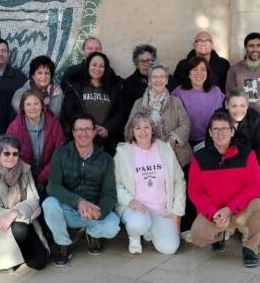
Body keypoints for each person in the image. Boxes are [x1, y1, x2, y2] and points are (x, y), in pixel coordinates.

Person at [188, 112, 260, 267]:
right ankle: (221, 234)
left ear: (232, 132)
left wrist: (230, 209)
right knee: (197, 237)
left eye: (225, 129)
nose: (220, 133)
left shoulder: (247, 154)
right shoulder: (200, 158)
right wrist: (214, 214)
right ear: (210, 133)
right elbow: (195, 192)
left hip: (240, 211)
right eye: (216, 129)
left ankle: (250, 247)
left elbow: (256, 186)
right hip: (215, 213)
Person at [43, 114, 120, 266]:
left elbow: (110, 193)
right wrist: (78, 201)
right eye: (79, 129)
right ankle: (63, 244)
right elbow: (52, 186)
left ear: (94, 132)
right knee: (49, 204)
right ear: (73, 133)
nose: (83, 133)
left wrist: (100, 211)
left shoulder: (106, 159)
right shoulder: (61, 153)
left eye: (87, 129)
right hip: (68, 209)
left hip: (92, 211)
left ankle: (92, 234)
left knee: (113, 226)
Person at [114, 114, 185, 255]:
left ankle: (150, 229)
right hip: (136, 208)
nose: (142, 131)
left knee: (169, 249)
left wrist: (177, 213)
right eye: (138, 127)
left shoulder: (165, 149)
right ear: (132, 131)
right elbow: (115, 184)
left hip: (161, 210)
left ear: (153, 130)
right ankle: (135, 236)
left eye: (147, 127)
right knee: (138, 223)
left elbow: (179, 181)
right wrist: (130, 200)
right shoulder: (123, 153)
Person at [0, 135, 49, 272]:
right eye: (7, 153)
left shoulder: (24, 170)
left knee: (40, 263)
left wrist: (16, 213)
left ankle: (23, 253)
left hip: (24, 221)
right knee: (19, 228)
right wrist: (27, 214)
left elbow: (34, 198)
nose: (11, 157)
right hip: (0, 223)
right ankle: (10, 257)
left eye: (15, 153)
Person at [127, 62, 192, 167]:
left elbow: (186, 124)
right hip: (148, 158)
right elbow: (129, 128)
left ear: (166, 80)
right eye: (155, 77)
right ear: (149, 81)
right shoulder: (138, 104)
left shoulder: (176, 102)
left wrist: (172, 140)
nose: (158, 80)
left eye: (162, 77)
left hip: (176, 155)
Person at [61, 51, 124, 154]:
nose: (97, 69)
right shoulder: (76, 85)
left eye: (101, 66)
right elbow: (69, 111)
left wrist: (108, 128)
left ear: (106, 68)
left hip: (106, 142)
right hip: (81, 139)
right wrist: (87, 128)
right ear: (87, 66)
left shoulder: (114, 87)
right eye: (94, 65)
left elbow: (120, 112)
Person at [6, 89, 65, 191]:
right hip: (23, 177)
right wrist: (27, 176)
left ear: (42, 105)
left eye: (36, 104)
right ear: (23, 107)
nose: (32, 108)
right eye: (28, 104)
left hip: (50, 176)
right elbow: (9, 155)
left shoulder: (53, 123)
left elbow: (60, 152)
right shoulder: (15, 126)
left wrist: (43, 176)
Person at [226, 32, 260, 137]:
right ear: (246, 47)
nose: (255, 49)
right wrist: (236, 125)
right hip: (242, 126)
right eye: (251, 46)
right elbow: (229, 98)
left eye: (258, 45)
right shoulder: (235, 70)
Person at [172, 55, 225, 146]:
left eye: (203, 69)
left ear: (208, 73)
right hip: (186, 141)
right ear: (189, 73)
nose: (199, 73)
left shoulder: (215, 91)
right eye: (195, 69)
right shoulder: (178, 93)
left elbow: (221, 116)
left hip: (212, 139)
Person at [120, 44, 177, 120]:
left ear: (154, 61)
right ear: (136, 63)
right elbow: (128, 112)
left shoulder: (168, 78)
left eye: (148, 60)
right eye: (141, 61)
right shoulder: (129, 83)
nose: (146, 64)